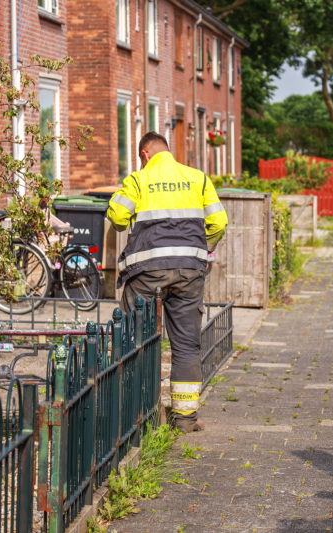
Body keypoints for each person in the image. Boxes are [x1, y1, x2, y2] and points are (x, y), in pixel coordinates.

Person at [107, 132, 228, 433]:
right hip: (189, 270)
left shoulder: (138, 179)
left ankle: (129, 416)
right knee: (186, 344)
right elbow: (219, 223)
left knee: (132, 340)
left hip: (146, 270)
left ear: (145, 154)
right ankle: (185, 419)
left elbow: (118, 217)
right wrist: (202, 249)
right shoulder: (198, 178)